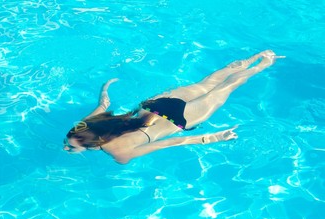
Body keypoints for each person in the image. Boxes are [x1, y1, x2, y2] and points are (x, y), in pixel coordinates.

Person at [63, 50, 284, 164]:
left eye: (70, 146)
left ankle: (264, 64)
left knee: (225, 89)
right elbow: (104, 104)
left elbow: (171, 142)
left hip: (178, 120)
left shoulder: (118, 153)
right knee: (207, 83)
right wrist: (105, 87)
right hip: (154, 106)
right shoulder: (86, 124)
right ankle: (255, 57)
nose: (65, 148)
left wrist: (212, 138)